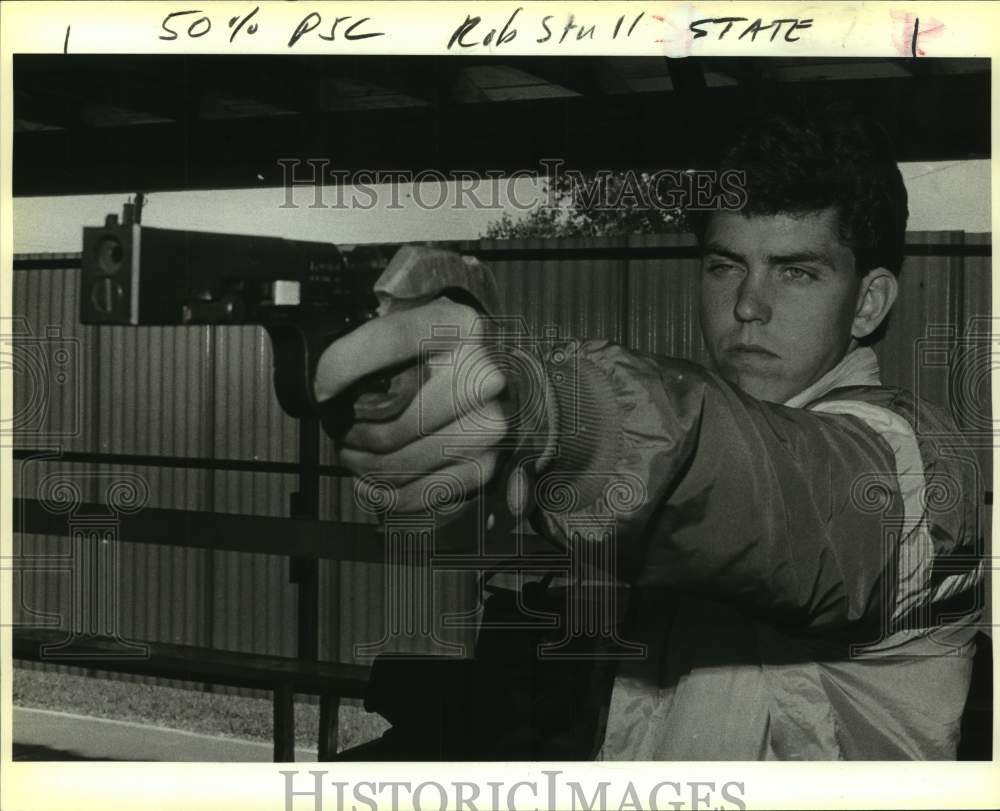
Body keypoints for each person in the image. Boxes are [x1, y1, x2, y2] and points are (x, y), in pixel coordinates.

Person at [315, 113, 984, 760]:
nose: (748, 305)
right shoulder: (674, 480)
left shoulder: (912, 468)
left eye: (796, 271)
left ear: (868, 302)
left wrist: (560, 414)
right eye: (725, 266)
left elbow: (762, 487)